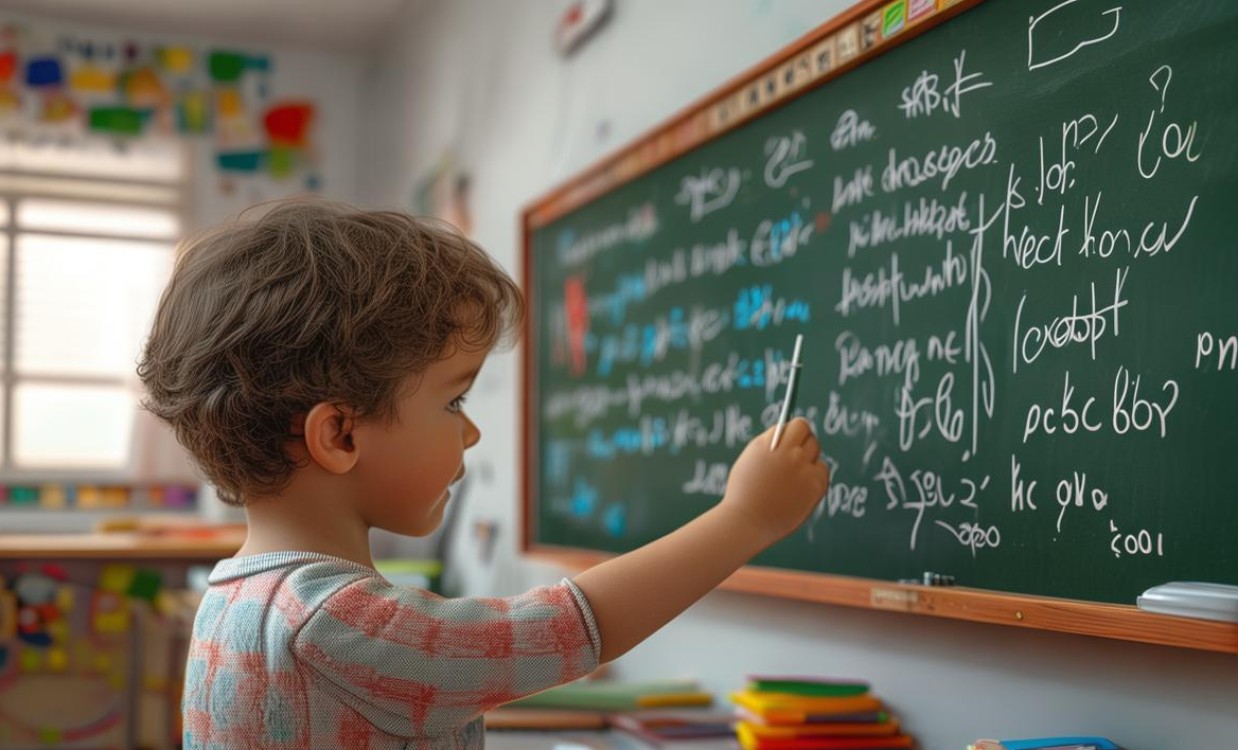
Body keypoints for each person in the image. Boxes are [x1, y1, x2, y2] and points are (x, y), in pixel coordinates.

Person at [138, 197, 829, 749]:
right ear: (340, 435)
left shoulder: (229, 598)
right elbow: (570, 629)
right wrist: (746, 518)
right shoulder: (333, 624)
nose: (470, 431)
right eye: (453, 401)